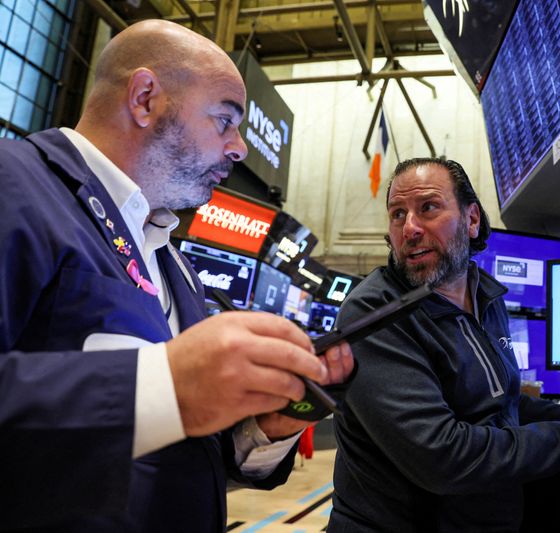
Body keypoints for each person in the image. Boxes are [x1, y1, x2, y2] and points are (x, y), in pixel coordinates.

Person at [0, 19, 353, 532]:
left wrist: (260, 430)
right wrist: (165, 386)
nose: (239, 148)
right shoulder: (14, 184)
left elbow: (181, 444)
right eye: (224, 120)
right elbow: (158, 397)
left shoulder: (176, 264)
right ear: (144, 98)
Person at [329, 158, 560, 532]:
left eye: (428, 207)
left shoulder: (487, 299)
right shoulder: (375, 312)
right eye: (397, 214)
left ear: (472, 219)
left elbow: (502, 403)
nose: (409, 227)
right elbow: (441, 457)